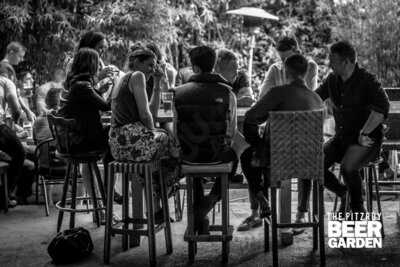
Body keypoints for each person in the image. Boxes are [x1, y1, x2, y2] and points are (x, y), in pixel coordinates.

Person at [237, 54, 324, 232]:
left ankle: (261, 196)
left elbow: (251, 117)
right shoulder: (317, 100)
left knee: (248, 154)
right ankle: (301, 215)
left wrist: (258, 143)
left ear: (285, 72)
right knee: (306, 151)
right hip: (309, 162)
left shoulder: (278, 92)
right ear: (306, 72)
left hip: (276, 160)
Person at [315, 41, 389, 213]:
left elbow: (383, 108)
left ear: (346, 62)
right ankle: (344, 194)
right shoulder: (332, 80)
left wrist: (365, 132)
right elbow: (315, 97)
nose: (330, 64)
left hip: (366, 140)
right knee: (314, 165)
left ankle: (357, 208)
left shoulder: (368, 80)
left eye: (333, 60)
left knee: (348, 168)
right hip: (341, 138)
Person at [252, 36, 319, 227]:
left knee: (259, 151)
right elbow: (263, 95)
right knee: (306, 150)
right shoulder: (275, 69)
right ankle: (278, 210)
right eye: (281, 59)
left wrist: (281, 96)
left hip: (297, 133)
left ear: (297, 52)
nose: (284, 63)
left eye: (286, 59)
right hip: (289, 138)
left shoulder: (310, 66)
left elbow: (307, 94)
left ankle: (301, 212)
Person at [108, 46, 179, 223]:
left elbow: (152, 114)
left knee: (162, 154)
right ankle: (162, 194)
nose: (153, 69)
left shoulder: (125, 78)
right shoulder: (137, 76)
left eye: (155, 65)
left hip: (118, 144)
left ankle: (156, 205)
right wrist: (155, 132)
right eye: (149, 65)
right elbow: (147, 115)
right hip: (130, 140)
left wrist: (157, 83)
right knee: (174, 149)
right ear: (136, 63)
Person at [174, 46, 237, 233]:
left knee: (194, 164)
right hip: (217, 156)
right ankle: (207, 205)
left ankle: (199, 218)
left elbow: (176, 129)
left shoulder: (178, 93)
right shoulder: (227, 93)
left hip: (188, 157)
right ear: (213, 65)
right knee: (235, 157)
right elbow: (231, 132)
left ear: (195, 68)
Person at [0, 61, 25, 207]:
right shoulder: (6, 81)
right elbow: (16, 110)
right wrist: (15, 126)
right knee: (19, 152)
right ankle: (5, 195)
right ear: (10, 74)